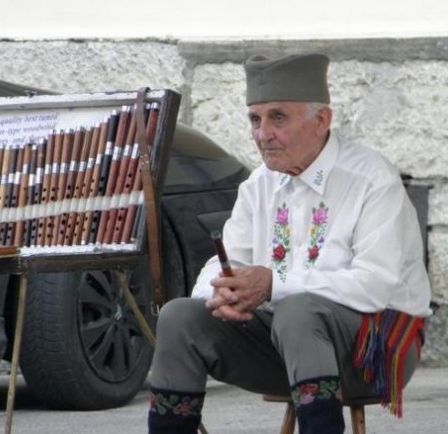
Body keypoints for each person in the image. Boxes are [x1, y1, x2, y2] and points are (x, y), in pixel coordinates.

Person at [148, 52, 432, 434]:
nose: (263, 134)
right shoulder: (258, 185)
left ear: (322, 120)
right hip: (283, 346)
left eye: (277, 118)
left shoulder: (371, 179)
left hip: (374, 350)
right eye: (255, 119)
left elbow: (375, 286)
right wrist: (220, 292)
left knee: (298, 310)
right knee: (179, 317)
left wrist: (273, 284)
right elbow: (226, 261)